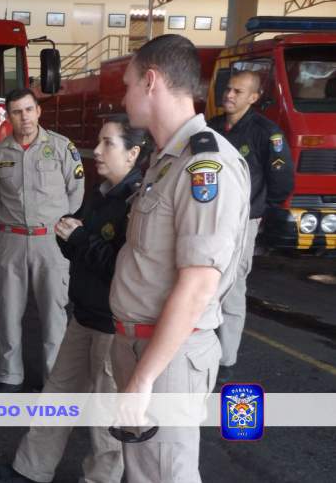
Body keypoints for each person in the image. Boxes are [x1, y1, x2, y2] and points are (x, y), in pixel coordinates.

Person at [110, 34, 250, 482]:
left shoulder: (203, 166)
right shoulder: (167, 160)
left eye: (128, 83)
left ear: (151, 82)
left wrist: (143, 377)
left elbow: (197, 287)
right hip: (144, 348)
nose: (124, 93)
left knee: (166, 475)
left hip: (166, 359)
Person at [0, 116, 151, 483]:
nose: (95, 151)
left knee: (104, 418)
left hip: (114, 328)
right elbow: (81, 244)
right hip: (84, 317)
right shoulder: (100, 195)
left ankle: (100, 479)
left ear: (132, 154)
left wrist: (80, 240)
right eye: (98, 142)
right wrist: (69, 239)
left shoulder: (138, 204)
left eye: (107, 144)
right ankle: (32, 468)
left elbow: (126, 270)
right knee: (57, 397)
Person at [0, 87, 84, 392]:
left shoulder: (60, 147)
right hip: (12, 241)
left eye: (29, 109)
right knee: (8, 314)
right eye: (17, 111)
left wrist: (59, 222)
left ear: (38, 111)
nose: (24, 117)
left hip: (50, 242)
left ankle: (54, 381)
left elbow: (76, 190)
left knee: (55, 316)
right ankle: (9, 374)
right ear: (8, 116)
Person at [207, 70, 294, 382]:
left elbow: (281, 182)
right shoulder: (211, 128)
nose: (229, 95)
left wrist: (263, 214)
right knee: (203, 283)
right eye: (228, 89)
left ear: (254, 97)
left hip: (242, 222)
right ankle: (202, 351)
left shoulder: (266, 133)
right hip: (208, 217)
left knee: (231, 287)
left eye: (238, 91)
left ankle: (225, 360)